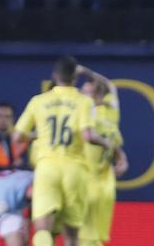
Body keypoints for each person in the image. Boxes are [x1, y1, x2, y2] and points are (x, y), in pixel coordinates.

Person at [13, 56, 111, 246]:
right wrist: (106, 143)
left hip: (46, 167)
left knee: (42, 228)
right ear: (75, 77)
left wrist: (40, 135)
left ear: (54, 76)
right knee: (71, 233)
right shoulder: (84, 102)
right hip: (75, 169)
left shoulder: (38, 101)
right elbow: (88, 135)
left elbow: (18, 136)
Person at [78, 65, 129, 246]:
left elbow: (109, 86)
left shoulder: (102, 113)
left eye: (88, 93)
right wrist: (120, 156)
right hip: (91, 179)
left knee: (92, 233)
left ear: (98, 95)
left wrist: (84, 71)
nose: (84, 96)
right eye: (83, 92)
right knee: (89, 233)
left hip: (99, 179)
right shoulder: (96, 114)